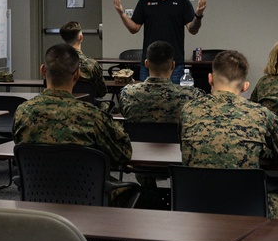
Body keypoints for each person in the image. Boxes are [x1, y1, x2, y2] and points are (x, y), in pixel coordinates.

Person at [180, 50, 278, 219]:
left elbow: (185, 148)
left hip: (194, 205)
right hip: (248, 210)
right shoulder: (260, 114)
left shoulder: (188, 110)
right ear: (245, 86)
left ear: (210, 79)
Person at [12, 44, 131, 178]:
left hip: (36, 194)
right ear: (77, 74)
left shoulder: (22, 112)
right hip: (86, 193)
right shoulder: (92, 116)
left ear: (43, 70)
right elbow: (122, 154)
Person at [112, 0, 206, 81]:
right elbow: (134, 28)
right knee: (146, 98)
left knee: (174, 98)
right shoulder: (145, 1)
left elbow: (193, 30)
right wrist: (121, 13)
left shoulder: (183, 2)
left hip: (174, 64)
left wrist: (198, 15)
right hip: (150, 64)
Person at [119, 40, 204, 122]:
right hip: (175, 137)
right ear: (173, 65)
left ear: (146, 64)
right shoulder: (191, 96)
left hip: (137, 137)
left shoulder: (128, 94)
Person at [59, 20, 106, 98]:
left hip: (60, 106)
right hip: (87, 107)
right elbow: (102, 92)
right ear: (81, 37)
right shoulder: (91, 64)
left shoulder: (55, 63)